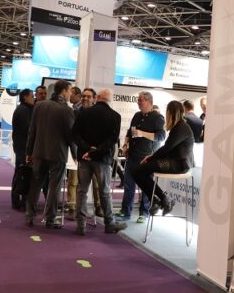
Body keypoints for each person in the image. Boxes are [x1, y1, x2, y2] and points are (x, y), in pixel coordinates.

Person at [72, 89, 127, 235]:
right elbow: (112, 140)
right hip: (103, 159)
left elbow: (74, 135)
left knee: (82, 191)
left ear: (98, 98)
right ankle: (109, 223)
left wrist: (88, 149)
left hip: (84, 157)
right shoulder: (115, 116)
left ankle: (81, 224)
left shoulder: (83, 113)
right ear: (110, 100)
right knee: (104, 191)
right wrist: (96, 151)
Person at [130, 101, 195, 216]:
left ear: (170, 113)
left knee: (137, 171)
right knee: (138, 171)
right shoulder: (179, 126)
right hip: (175, 162)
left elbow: (166, 148)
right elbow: (167, 148)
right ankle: (159, 200)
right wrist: (151, 157)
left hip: (179, 165)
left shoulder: (181, 127)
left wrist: (150, 158)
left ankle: (161, 200)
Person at [25, 80, 74, 229]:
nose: (70, 94)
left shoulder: (39, 105)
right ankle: (50, 219)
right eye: (69, 91)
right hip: (57, 154)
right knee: (54, 188)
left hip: (39, 152)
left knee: (35, 185)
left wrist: (29, 151)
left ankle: (29, 216)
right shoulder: (66, 110)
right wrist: (75, 153)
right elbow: (70, 135)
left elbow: (32, 130)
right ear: (64, 91)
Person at [118, 91, 166, 223]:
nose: (138, 102)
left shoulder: (158, 117)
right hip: (132, 155)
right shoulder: (137, 115)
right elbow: (130, 132)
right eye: (138, 100)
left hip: (146, 157)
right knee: (128, 184)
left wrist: (142, 133)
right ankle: (125, 211)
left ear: (149, 102)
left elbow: (161, 137)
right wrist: (125, 145)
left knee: (145, 187)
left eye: (141, 100)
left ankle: (144, 213)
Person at [65, 87, 93, 220]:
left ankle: (88, 208)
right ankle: (72, 207)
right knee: (74, 180)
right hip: (76, 151)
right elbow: (73, 133)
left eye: (88, 97)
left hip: (91, 152)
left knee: (89, 184)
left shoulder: (93, 113)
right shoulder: (74, 111)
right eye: (84, 96)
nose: (85, 99)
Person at [11, 89, 34, 210]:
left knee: (21, 174)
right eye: (32, 96)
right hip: (23, 148)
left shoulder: (24, 109)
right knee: (22, 175)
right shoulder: (23, 110)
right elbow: (28, 130)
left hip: (21, 147)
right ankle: (20, 202)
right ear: (25, 97)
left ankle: (19, 201)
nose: (33, 98)